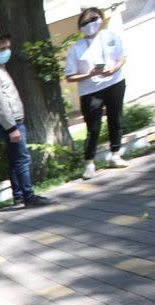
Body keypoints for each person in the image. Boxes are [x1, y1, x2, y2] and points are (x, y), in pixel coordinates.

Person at [0, 34, 53, 208]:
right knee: (22, 160)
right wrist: (12, 127)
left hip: (11, 124)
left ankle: (19, 196)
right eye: (2, 49)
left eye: (8, 48)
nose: (7, 52)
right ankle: (28, 196)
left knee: (15, 161)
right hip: (10, 125)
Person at [65, 7, 129, 179]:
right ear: (80, 26)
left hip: (115, 82)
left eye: (94, 19)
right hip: (90, 90)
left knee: (116, 119)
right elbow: (69, 76)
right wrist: (89, 74)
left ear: (101, 18)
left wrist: (114, 68)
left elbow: (122, 56)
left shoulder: (110, 36)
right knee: (93, 127)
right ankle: (89, 163)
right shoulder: (76, 49)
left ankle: (115, 155)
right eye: (85, 22)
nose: (90, 24)